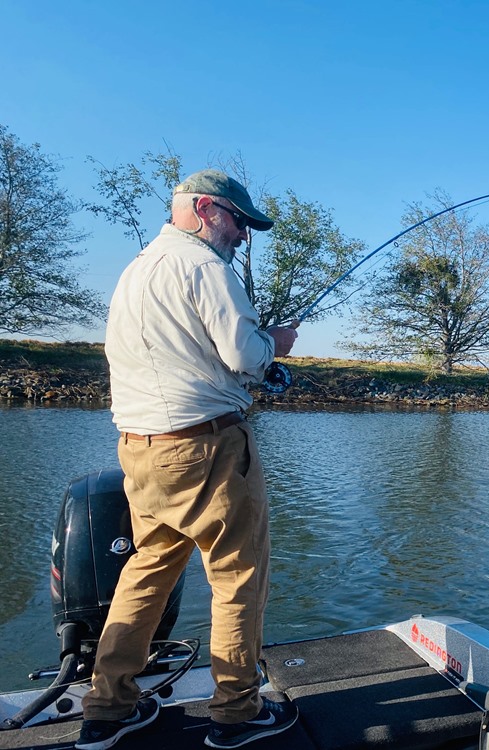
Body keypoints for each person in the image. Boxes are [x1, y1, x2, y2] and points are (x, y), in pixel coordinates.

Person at [76, 169, 300, 750]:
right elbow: (244, 356)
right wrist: (273, 345)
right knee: (237, 579)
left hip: (140, 450)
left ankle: (106, 707)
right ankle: (235, 713)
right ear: (204, 208)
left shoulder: (135, 271)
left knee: (147, 569)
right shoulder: (205, 267)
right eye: (238, 221)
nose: (244, 236)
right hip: (209, 448)